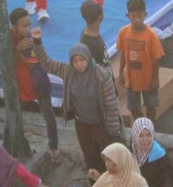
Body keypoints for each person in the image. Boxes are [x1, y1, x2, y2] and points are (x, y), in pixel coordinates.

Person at [32, 34, 121, 174]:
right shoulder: (68, 71)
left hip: (101, 126)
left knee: (107, 159)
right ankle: (94, 184)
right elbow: (46, 63)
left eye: (82, 59)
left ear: (88, 58)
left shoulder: (101, 75)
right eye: (75, 61)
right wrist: (37, 41)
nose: (79, 64)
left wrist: (114, 132)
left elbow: (111, 105)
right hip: (82, 125)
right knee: (90, 158)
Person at [9, 8, 59, 160]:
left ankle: (54, 147)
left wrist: (19, 52)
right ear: (14, 27)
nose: (27, 29)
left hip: (37, 79)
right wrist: (16, 49)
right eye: (23, 26)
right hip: (17, 82)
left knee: (48, 114)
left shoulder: (31, 39)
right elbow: (5, 59)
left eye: (28, 25)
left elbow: (32, 64)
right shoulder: (8, 38)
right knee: (13, 113)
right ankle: (11, 145)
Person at [117, 0, 165, 121]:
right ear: (128, 16)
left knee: (151, 106)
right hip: (131, 79)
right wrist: (120, 72)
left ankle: (150, 127)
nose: (137, 20)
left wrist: (154, 79)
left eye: (140, 16)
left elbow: (157, 58)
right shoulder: (123, 32)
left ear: (145, 15)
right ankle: (143, 124)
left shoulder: (151, 35)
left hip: (148, 79)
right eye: (133, 16)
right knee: (132, 107)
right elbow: (123, 53)